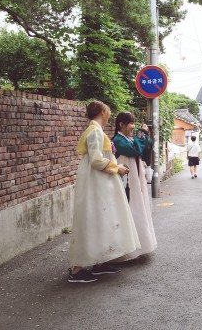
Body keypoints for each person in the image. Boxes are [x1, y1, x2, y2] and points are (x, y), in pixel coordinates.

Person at [69, 101, 140, 283]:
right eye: (107, 111)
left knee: (100, 218)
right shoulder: (95, 131)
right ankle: (77, 271)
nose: (109, 115)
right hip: (95, 181)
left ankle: (98, 262)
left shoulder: (95, 130)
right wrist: (117, 168)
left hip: (97, 180)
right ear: (102, 111)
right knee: (93, 218)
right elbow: (96, 160)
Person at [112, 112, 157, 261]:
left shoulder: (128, 138)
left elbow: (144, 151)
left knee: (137, 209)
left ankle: (139, 247)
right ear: (121, 125)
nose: (133, 126)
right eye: (131, 123)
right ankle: (129, 250)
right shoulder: (118, 140)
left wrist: (146, 138)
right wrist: (142, 134)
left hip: (135, 181)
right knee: (131, 210)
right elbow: (135, 150)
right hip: (128, 182)